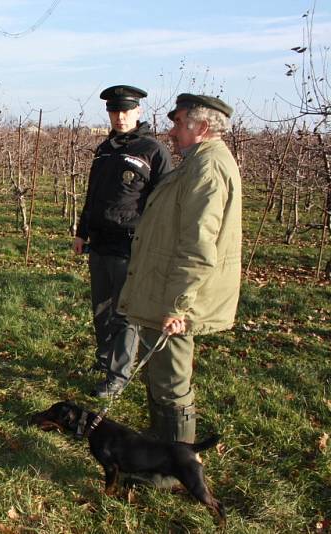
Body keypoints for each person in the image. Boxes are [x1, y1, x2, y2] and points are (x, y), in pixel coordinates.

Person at [117, 93, 242, 445]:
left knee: (171, 378)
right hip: (165, 287)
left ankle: (174, 463)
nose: (171, 132)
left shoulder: (208, 168)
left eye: (178, 124)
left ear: (201, 127)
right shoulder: (197, 162)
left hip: (174, 295)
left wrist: (178, 305)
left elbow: (199, 245)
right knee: (160, 373)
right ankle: (160, 443)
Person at [74, 85, 172, 398]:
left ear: (138, 111)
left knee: (125, 313)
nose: (120, 116)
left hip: (130, 245)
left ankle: (118, 375)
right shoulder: (105, 149)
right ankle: (105, 360)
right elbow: (92, 195)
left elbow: (166, 201)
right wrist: (81, 232)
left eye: (126, 111)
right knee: (102, 309)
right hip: (99, 243)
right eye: (114, 111)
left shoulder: (152, 150)